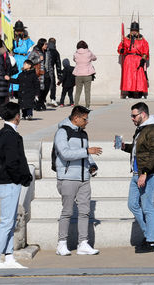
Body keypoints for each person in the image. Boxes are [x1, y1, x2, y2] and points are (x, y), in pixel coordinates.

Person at [0, 102, 33, 269]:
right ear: (17, 116)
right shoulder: (10, 136)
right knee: (7, 221)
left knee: (10, 221)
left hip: (5, 181)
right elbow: (13, 161)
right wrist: (21, 177)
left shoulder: (1, 134)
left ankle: (8, 256)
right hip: (9, 182)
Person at [54, 106, 101, 256]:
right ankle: (61, 244)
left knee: (85, 212)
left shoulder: (83, 134)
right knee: (67, 211)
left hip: (84, 178)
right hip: (68, 177)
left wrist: (92, 164)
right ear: (76, 118)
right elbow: (65, 153)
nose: (87, 122)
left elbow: (86, 153)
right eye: (85, 119)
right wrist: (87, 151)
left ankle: (83, 243)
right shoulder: (62, 132)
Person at [119, 102, 154, 253]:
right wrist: (124, 147)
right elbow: (139, 150)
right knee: (132, 204)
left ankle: (151, 242)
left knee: (147, 207)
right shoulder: (142, 129)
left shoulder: (153, 129)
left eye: (134, 115)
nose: (132, 118)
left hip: (149, 174)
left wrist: (144, 173)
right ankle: (148, 234)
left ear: (143, 114)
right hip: (138, 173)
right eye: (131, 116)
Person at [118, 22, 150, 99]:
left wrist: (143, 59)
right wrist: (121, 50)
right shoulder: (126, 39)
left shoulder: (143, 40)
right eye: (132, 30)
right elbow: (121, 48)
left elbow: (146, 50)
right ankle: (130, 91)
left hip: (138, 59)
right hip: (129, 60)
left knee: (139, 76)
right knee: (129, 76)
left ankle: (138, 91)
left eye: (135, 30)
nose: (134, 31)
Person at [11, 22, 34, 95]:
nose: (19, 32)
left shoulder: (27, 40)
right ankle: (15, 91)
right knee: (15, 74)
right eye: (17, 31)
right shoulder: (12, 40)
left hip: (24, 58)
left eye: (20, 30)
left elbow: (30, 50)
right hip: (15, 58)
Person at [73, 40, 97, 109]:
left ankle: (76, 105)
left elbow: (74, 60)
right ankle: (87, 106)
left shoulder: (76, 53)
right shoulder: (89, 53)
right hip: (88, 75)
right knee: (87, 91)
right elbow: (95, 58)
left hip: (78, 75)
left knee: (78, 91)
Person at [28, 38, 48, 111]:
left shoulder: (46, 51)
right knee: (39, 89)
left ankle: (41, 103)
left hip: (46, 73)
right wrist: (39, 59)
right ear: (41, 44)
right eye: (45, 44)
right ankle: (37, 104)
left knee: (45, 89)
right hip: (38, 73)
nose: (46, 45)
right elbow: (29, 61)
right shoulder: (35, 51)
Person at [45, 37, 62, 107]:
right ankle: (53, 99)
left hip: (43, 70)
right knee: (52, 85)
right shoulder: (55, 52)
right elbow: (58, 65)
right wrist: (59, 76)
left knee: (43, 85)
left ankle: (43, 100)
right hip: (51, 71)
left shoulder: (45, 50)